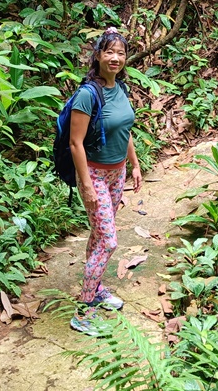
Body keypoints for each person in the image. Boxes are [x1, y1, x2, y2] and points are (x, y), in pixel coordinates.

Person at [68, 27, 142, 336]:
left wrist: (136, 165)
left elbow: (125, 130)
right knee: (109, 241)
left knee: (99, 237)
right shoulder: (87, 94)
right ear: (98, 55)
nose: (115, 58)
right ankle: (83, 313)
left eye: (121, 53)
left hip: (118, 172)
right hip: (95, 174)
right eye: (109, 52)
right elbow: (75, 143)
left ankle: (96, 289)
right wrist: (85, 184)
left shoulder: (120, 89)